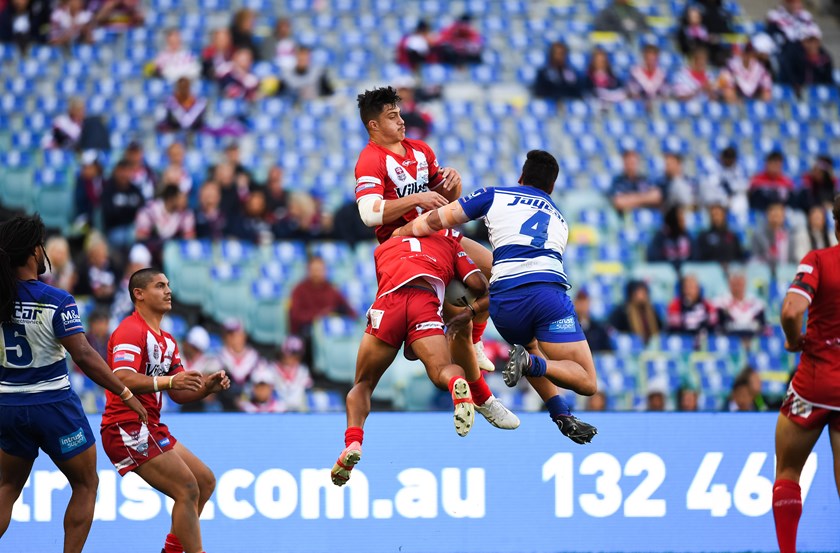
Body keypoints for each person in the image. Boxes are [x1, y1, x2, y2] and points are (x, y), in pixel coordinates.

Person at [393, 150, 599, 444]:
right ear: (551, 188)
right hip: (546, 295)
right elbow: (531, 272)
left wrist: (400, 234)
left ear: (520, 178)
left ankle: (559, 412)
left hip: (505, 306)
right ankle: (539, 381)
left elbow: (437, 221)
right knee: (587, 381)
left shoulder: (494, 195)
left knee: (527, 344)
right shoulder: (559, 220)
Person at [0, 215, 147, 553]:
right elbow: (83, 354)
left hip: (8, 405)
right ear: (34, 252)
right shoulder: (55, 299)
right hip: (54, 405)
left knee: (7, 486)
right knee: (85, 483)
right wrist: (124, 391)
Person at [330, 231, 494, 486]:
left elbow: (386, 281)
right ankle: (456, 387)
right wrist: (461, 294)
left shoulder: (383, 247)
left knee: (363, 384)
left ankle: (353, 442)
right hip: (424, 302)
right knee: (442, 370)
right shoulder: (449, 241)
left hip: (389, 303)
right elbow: (478, 285)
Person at [354, 86, 498, 374]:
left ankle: (477, 343)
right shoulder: (370, 160)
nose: (402, 120)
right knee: (453, 315)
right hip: (403, 245)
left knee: (498, 272)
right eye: (393, 116)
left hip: (438, 235)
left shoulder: (421, 150)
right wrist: (417, 198)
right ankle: (470, 387)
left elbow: (447, 202)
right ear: (374, 125)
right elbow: (369, 215)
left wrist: (454, 182)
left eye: (400, 113)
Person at [100, 268, 229, 553]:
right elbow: (121, 376)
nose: (168, 290)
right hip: (125, 426)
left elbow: (179, 393)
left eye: (168, 285)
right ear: (139, 294)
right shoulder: (130, 330)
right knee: (187, 488)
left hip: (150, 426)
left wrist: (206, 388)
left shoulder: (167, 340)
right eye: (160, 286)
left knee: (204, 482)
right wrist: (171, 380)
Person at [774, 195, 840, 553]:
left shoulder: (819, 260)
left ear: (835, 225)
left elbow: (790, 310)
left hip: (814, 385)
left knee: (787, 471)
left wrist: (793, 339)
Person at [714, 272, 766, 339]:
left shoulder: (756, 303)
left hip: (752, 341)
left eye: (739, 283)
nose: (737, 287)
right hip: (729, 340)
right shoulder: (720, 303)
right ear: (729, 284)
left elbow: (762, 327)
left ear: (745, 283)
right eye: (734, 283)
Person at [608, 280, 661, 345]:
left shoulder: (652, 310)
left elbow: (659, 330)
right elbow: (613, 332)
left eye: (644, 292)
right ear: (632, 294)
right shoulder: (622, 312)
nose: (642, 295)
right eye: (639, 292)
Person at [609, 148, 661, 213]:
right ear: (623, 160)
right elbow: (619, 202)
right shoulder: (618, 181)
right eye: (628, 157)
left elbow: (656, 197)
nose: (631, 160)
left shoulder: (644, 179)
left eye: (633, 157)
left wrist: (630, 199)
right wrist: (646, 198)